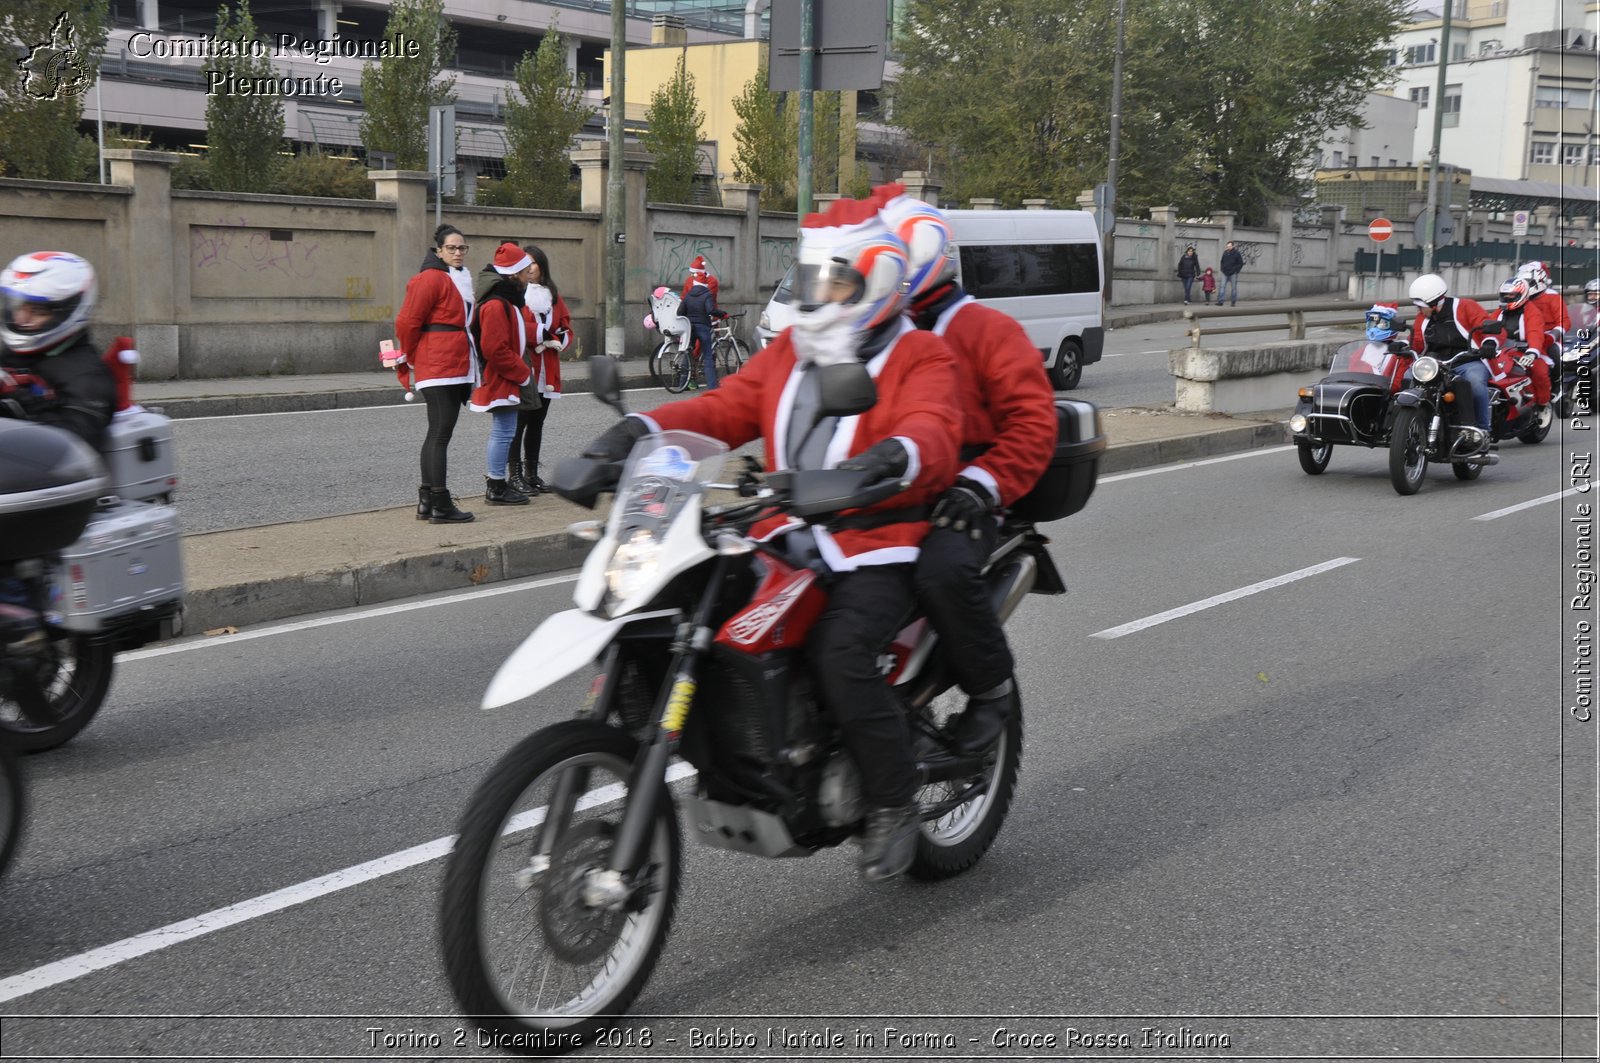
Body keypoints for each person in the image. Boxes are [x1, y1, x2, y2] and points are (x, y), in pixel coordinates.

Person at [580, 195, 962, 883]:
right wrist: (637, 433)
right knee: (680, 605)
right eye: (811, 281)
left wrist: (888, 459)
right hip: (784, 528)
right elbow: (724, 406)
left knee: (838, 650)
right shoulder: (791, 350)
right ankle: (692, 740)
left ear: (875, 280)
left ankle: (893, 800)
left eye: (832, 282)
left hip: (876, 541)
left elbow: (934, 428)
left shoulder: (921, 354)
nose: (817, 295)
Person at [877, 187, 1057, 756]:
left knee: (940, 575)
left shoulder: (987, 330)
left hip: (965, 495)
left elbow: (1034, 425)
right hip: (883, 491)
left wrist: (981, 485)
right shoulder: (876, 336)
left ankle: (990, 692)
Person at [395, 224, 477, 524]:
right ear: (439, 250)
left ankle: (428, 499)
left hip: (452, 361)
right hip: (439, 363)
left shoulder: (456, 278)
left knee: (437, 433)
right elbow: (407, 321)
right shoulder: (430, 279)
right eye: (452, 248)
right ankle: (440, 502)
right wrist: (412, 354)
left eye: (462, 248)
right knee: (440, 433)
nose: (458, 253)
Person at [0, 251, 115, 452]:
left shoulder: (88, 375)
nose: (21, 319)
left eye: (36, 311)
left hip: (52, 475)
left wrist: (19, 402)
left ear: (68, 310)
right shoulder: (16, 355)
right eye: (19, 307)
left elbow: (72, 445)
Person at [468, 242, 537, 505]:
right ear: (514, 274)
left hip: (504, 374)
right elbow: (494, 347)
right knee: (503, 431)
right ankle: (496, 486)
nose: (528, 276)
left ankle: (497, 483)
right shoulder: (497, 304)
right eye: (525, 271)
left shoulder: (502, 299)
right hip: (503, 376)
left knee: (505, 430)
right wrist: (522, 373)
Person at [509, 243, 571, 497]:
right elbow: (515, 325)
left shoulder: (553, 295)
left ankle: (532, 474)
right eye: (525, 263)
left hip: (548, 367)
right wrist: (541, 335)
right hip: (526, 366)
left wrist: (559, 339)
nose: (529, 267)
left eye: (533, 262)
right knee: (518, 423)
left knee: (537, 423)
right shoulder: (514, 294)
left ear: (541, 266)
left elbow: (565, 325)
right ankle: (514, 476)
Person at [1408, 272, 1491, 451]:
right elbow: (1416, 343)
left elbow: (1486, 326)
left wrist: (1489, 343)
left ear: (1435, 303)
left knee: (1475, 382)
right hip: (1435, 364)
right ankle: (1408, 423)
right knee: (1408, 377)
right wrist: (1404, 347)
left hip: (1466, 361)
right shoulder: (1422, 318)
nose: (1418, 310)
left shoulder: (1466, 307)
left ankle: (1482, 432)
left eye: (1421, 305)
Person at [1488, 275, 1551, 414]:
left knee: (1539, 372)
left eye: (1511, 295)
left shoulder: (1533, 312)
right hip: (1502, 352)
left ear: (1522, 295)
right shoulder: (1498, 313)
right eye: (1504, 295)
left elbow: (1535, 333)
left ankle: (1542, 404)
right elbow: (1486, 328)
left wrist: (1532, 352)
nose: (1507, 298)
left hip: (1526, 352)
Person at [1518, 260, 1568, 400]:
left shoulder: (1553, 298)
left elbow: (1564, 320)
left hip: (1549, 337)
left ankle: (1557, 383)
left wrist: (1554, 334)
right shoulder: (1520, 299)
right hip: (1524, 337)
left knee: (1555, 353)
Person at [681, 262, 723, 390]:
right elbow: (708, 303)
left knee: (701, 350)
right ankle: (695, 380)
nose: (692, 276)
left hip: (698, 320)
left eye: (694, 273)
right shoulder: (695, 282)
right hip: (703, 321)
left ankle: (684, 381)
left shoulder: (711, 281)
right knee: (701, 351)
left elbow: (685, 299)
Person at [1220, 240, 1244, 306]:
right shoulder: (1225, 253)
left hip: (1233, 273)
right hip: (1225, 273)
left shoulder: (1237, 253)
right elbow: (1222, 261)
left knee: (1233, 288)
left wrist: (1236, 270)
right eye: (1227, 246)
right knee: (1222, 287)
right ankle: (1221, 301)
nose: (1228, 247)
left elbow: (1241, 263)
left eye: (1230, 246)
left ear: (1233, 246)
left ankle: (1233, 302)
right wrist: (1222, 268)